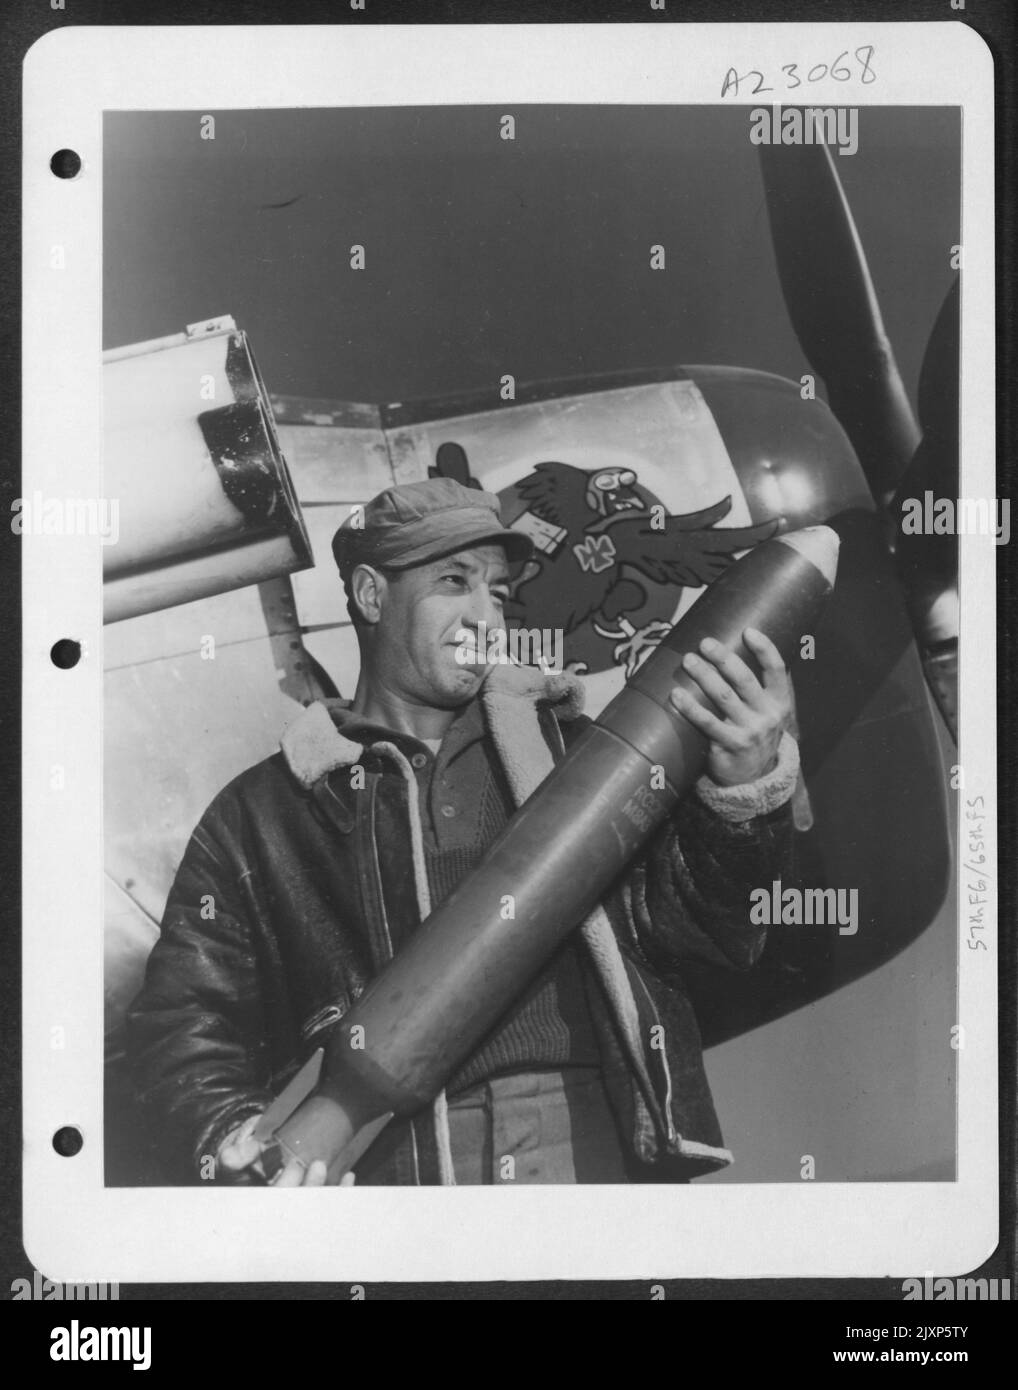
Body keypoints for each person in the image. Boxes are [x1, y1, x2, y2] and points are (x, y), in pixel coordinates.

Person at [127, 477, 799, 1187]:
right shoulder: (262, 816)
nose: (486, 617)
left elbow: (713, 935)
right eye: (454, 582)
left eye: (498, 593)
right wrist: (232, 1133)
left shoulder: (583, 759)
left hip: (593, 1151)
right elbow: (180, 1024)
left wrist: (745, 791)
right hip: (393, 1175)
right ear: (371, 595)